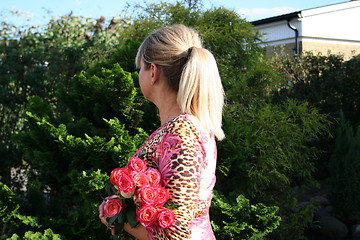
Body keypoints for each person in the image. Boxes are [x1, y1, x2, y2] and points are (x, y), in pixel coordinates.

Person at [99, 24, 225, 240]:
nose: (139, 74)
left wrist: (118, 220)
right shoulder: (183, 127)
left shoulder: (181, 133)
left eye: (141, 68)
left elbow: (175, 235)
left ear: (153, 72)